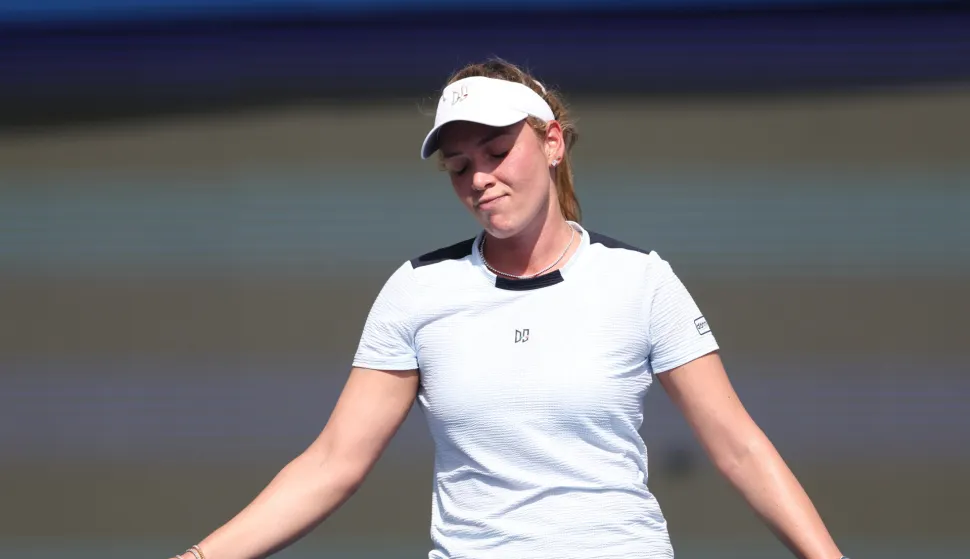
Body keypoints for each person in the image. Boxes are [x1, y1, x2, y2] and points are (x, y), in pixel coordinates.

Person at [169, 59, 847, 559]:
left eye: (497, 151)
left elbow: (739, 446)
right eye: (460, 166)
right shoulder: (416, 289)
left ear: (552, 143)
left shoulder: (640, 280)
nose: (480, 178)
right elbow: (333, 463)